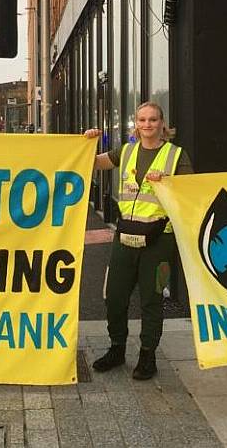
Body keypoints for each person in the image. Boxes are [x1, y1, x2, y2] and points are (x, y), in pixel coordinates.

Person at [84, 102, 193, 380]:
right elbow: (94, 164)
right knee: (115, 297)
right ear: (135, 123)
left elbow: (190, 193)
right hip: (125, 237)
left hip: (159, 241)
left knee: (151, 299)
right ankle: (117, 348)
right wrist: (88, 142)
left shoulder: (176, 156)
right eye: (142, 119)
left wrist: (167, 181)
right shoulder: (127, 151)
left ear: (162, 123)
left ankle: (147, 355)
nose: (147, 125)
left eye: (153, 119)